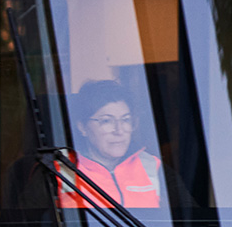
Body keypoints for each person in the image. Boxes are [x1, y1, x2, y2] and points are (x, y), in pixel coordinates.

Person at [57, 80, 162, 208]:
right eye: (106, 121)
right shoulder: (59, 169)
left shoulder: (152, 166)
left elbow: (186, 221)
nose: (119, 130)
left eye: (125, 120)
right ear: (82, 127)